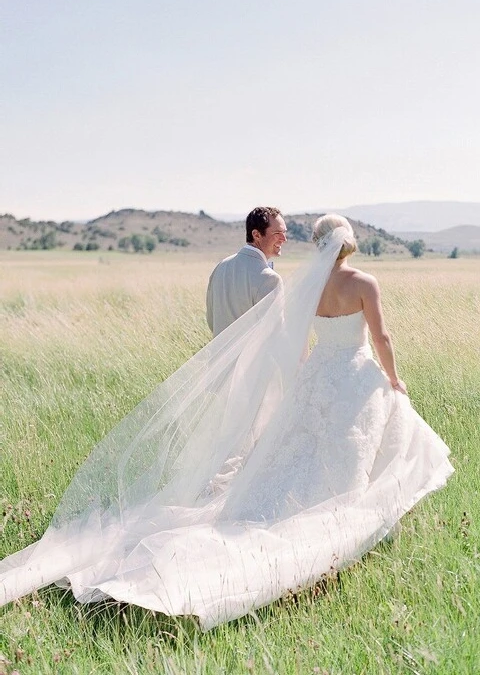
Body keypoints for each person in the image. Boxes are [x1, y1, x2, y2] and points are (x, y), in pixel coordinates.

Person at [0, 214, 453, 631]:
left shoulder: (305, 286)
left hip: (317, 373)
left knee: (302, 448)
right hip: (353, 372)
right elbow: (381, 336)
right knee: (365, 442)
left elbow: (294, 337)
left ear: (317, 244)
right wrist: (394, 378)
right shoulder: (363, 282)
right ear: (348, 244)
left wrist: (303, 378)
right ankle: (358, 515)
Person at [206, 206, 287, 336]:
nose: (284, 239)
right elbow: (274, 333)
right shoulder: (270, 278)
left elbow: (212, 321)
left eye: (284, 232)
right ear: (256, 235)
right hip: (256, 357)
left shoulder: (220, 267)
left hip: (221, 355)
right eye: (277, 233)